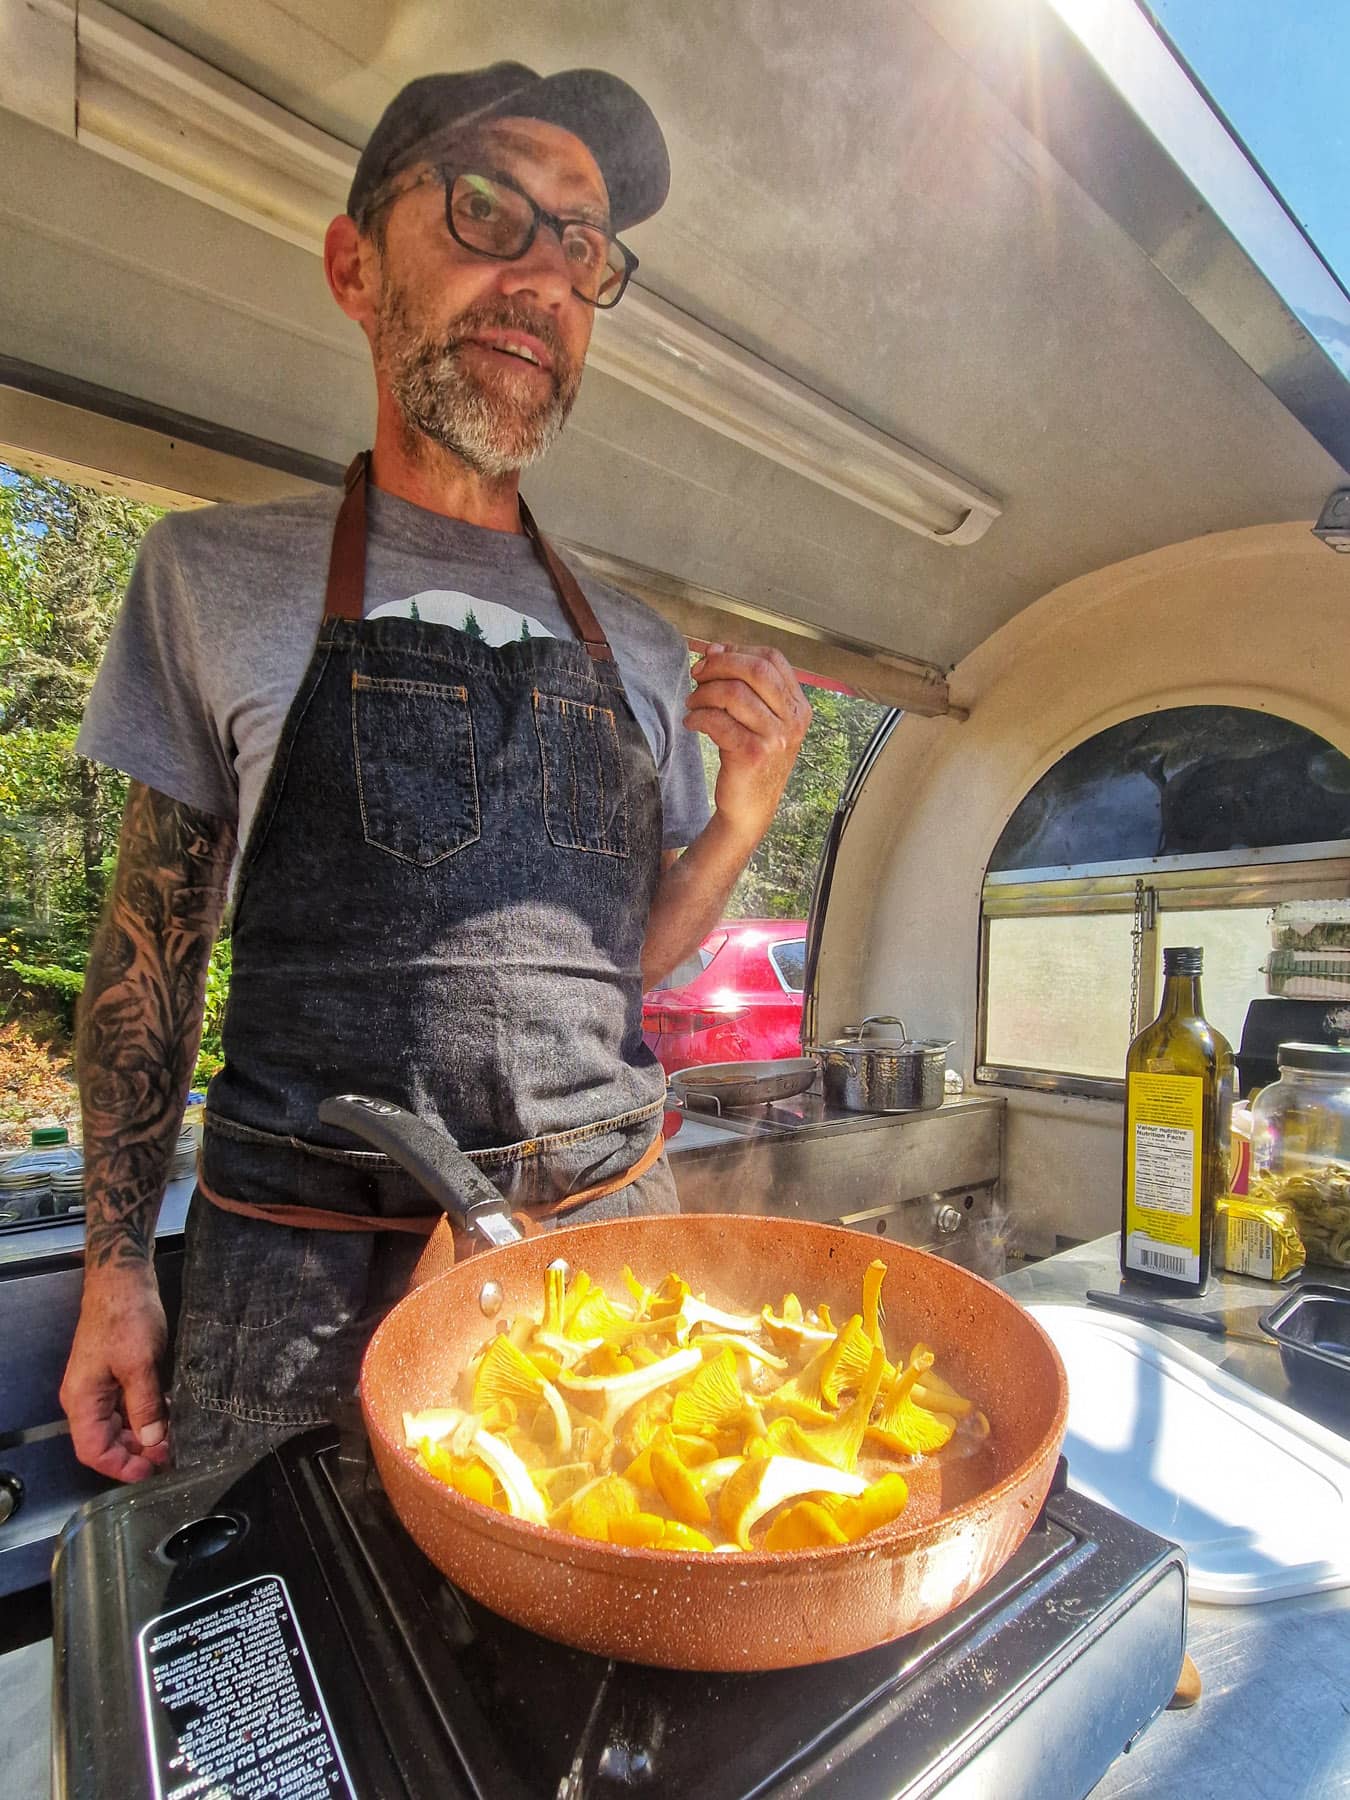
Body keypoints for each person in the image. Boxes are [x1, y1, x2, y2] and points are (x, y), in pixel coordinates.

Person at [59, 62, 811, 1478]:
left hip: (595, 1253)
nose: (542, 276)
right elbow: (147, 958)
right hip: (296, 1282)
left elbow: (612, 961)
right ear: (355, 264)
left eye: (580, 248)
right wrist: (114, 1268)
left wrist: (739, 825)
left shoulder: (639, 643)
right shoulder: (213, 579)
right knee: (292, 1650)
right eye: (489, 213)